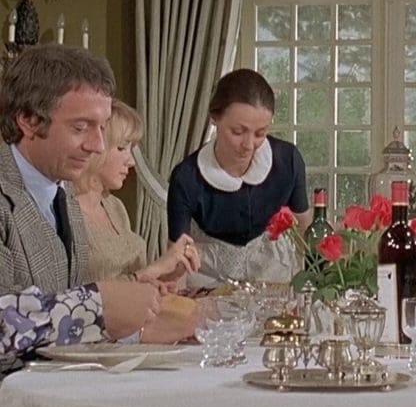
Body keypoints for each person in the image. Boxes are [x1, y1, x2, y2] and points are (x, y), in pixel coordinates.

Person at [0, 45, 162, 372]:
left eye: (102, 127)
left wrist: (136, 331)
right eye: (81, 127)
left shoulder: (64, 197)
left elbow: (57, 337)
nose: (97, 145)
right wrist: (98, 306)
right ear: (28, 120)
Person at [167, 68, 311, 282]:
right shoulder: (186, 177)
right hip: (207, 281)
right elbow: (177, 257)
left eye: (260, 133)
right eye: (238, 132)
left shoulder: (287, 160)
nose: (249, 145)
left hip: (274, 279)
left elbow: (306, 231)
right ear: (214, 117)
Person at [76, 99, 199, 290]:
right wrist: (154, 269)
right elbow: (78, 297)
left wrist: (170, 272)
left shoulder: (115, 206)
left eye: (131, 149)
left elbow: (135, 280)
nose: (131, 162)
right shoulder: (65, 214)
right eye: (121, 148)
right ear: (96, 148)